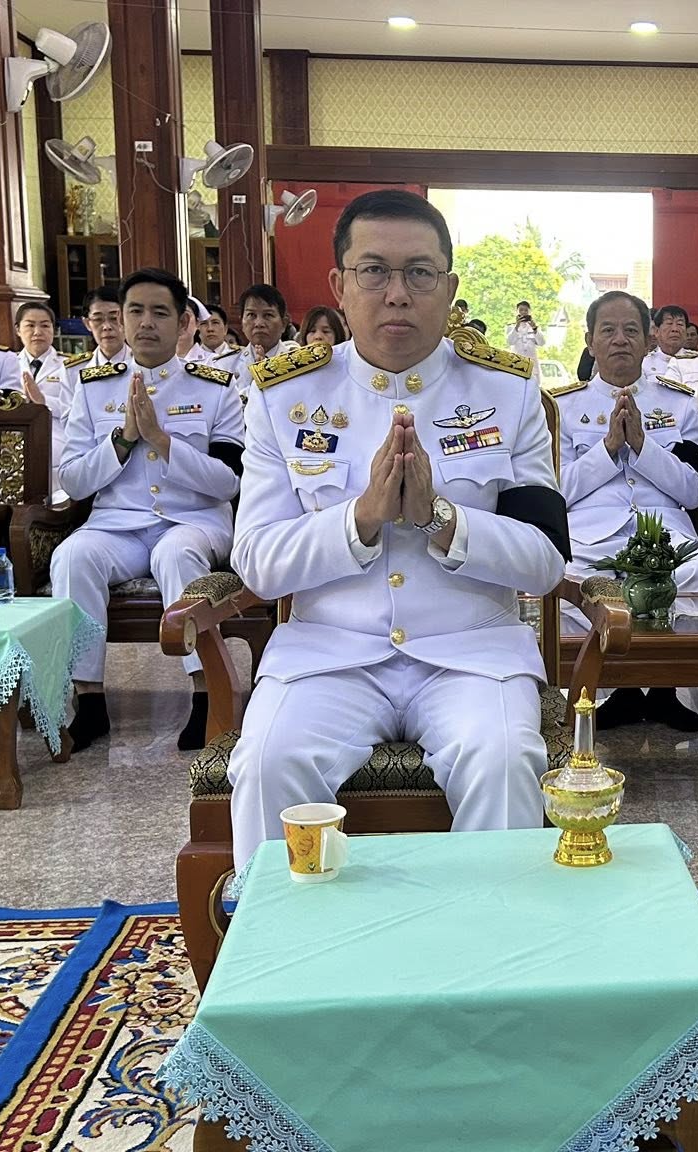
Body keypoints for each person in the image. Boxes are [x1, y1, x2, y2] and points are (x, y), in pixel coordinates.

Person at [225, 189, 569, 869]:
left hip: (472, 655)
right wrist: (361, 518)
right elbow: (258, 562)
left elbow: (544, 562)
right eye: (373, 271)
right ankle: (291, 964)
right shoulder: (283, 398)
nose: (397, 294)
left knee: (503, 762)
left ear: (449, 287)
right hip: (330, 654)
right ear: (339, 286)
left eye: (420, 273)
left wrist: (441, 520)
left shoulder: (507, 392)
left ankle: (489, 963)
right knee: (268, 761)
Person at [54, 268, 246, 752]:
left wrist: (162, 441)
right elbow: (73, 480)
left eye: (159, 312)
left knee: (176, 555)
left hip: (194, 520)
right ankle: (90, 699)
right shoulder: (93, 387)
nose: (145, 323)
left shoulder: (214, 387)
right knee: (73, 557)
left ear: (183, 322)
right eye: (135, 311)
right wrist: (123, 440)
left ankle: (206, 696)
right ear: (120, 318)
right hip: (116, 525)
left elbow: (229, 481)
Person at [549, 291, 698, 731]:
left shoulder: (679, 403)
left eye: (631, 331)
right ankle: (616, 689)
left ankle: (665, 691)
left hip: (667, 537)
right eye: (608, 330)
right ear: (589, 341)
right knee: (570, 579)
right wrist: (608, 448)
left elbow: (695, 491)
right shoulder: (562, 408)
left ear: (648, 341)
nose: (619, 340)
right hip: (590, 538)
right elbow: (555, 493)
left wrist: (643, 445)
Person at [14, 301, 73, 422]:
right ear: (18, 329)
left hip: (57, 437)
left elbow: (79, 409)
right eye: (30, 326)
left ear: (54, 330)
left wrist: (43, 400)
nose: (37, 332)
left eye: (45, 326)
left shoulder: (70, 366)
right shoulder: (9, 364)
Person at [65, 285, 129, 375]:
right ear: (87, 323)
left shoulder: (145, 363)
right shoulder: (74, 371)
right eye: (98, 319)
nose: (107, 327)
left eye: (114, 318)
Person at [237, 284, 299, 374]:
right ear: (242, 322)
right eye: (251, 315)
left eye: (268, 315)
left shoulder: (298, 363)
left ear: (284, 323)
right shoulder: (226, 365)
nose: (259, 324)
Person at [506, 300, 544, 365]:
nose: (523, 312)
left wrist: (534, 328)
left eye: (526, 310)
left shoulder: (535, 327)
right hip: (516, 361)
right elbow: (510, 342)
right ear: (516, 312)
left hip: (532, 362)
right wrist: (517, 326)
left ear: (529, 312)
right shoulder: (511, 327)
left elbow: (542, 343)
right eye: (521, 310)